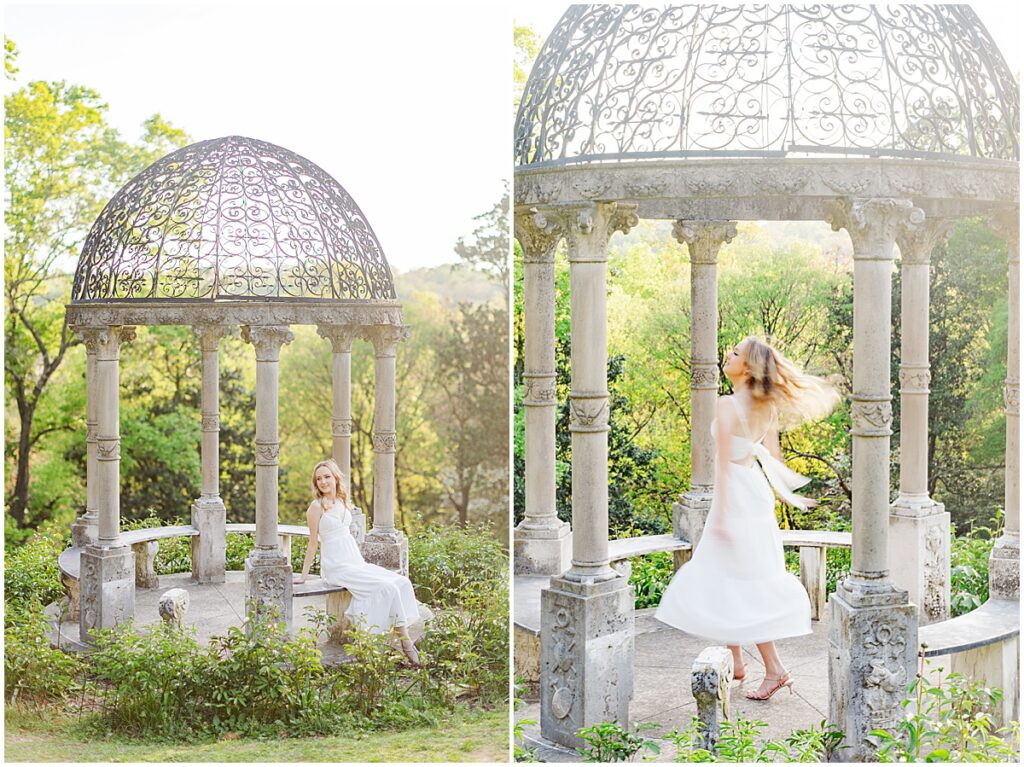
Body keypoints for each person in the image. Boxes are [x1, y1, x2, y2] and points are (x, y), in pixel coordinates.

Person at [656, 336, 840, 701]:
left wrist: (721, 517)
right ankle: (738, 661)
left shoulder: (727, 405)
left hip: (735, 495)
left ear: (749, 365)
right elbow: (771, 457)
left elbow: (722, 467)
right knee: (734, 577)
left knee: (738, 580)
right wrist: (786, 494)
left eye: (736, 352)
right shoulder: (766, 406)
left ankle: (774, 669)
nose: (728, 354)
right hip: (753, 492)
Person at [294, 459, 421, 666]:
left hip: (354, 560)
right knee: (387, 588)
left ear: (335, 478)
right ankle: (406, 644)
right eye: (319, 479)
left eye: (327, 476)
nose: (323, 482)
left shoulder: (343, 502)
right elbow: (312, 543)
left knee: (401, 583)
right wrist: (304, 576)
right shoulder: (316, 507)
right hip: (337, 565)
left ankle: (395, 636)